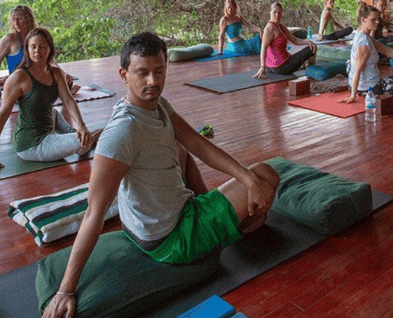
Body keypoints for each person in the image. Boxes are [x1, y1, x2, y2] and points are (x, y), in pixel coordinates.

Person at [40, 32, 280, 318]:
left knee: (182, 148)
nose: (153, 82)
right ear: (124, 75)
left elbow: (196, 142)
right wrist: (66, 290)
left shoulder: (158, 105)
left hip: (161, 216)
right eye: (142, 73)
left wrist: (246, 179)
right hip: (171, 238)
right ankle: (234, 226)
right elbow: (94, 211)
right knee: (267, 173)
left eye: (159, 71)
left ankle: (216, 208)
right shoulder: (121, 133)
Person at [0, 28, 100, 173]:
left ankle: (84, 134)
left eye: (42, 47)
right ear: (27, 49)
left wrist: (82, 125)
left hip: (50, 122)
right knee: (81, 144)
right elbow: (2, 115)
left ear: (49, 49)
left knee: (71, 128)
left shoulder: (56, 73)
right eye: (33, 47)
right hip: (32, 144)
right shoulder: (19, 77)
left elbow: (69, 101)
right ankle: (97, 135)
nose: (37, 51)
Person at [0, 5, 78, 110]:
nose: (16, 22)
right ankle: (61, 93)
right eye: (13, 19)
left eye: (19, 19)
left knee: (60, 77)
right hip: (19, 84)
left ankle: (62, 92)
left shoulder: (37, 37)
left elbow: (50, 60)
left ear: (28, 19)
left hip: (37, 79)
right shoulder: (9, 39)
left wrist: (63, 74)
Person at [341, 3, 393, 103]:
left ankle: (358, 90)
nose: (377, 22)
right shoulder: (364, 41)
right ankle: (361, 92)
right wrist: (352, 96)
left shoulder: (362, 35)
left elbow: (387, 50)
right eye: (373, 20)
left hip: (362, 86)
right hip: (371, 90)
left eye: (378, 19)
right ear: (363, 20)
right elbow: (358, 69)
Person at [254, 2, 317, 78]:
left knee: (311, 45)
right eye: (274, 12)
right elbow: (263, 48)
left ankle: (306, 66)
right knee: (312, 48)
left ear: (282, 14)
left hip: (275, 67)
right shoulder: (269, 28)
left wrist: (308, 42)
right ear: (270, 13)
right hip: (282, 67)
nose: (277, 15)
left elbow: (294, 40)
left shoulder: (281, 26)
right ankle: (312, 69)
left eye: (279, 12)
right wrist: (262, 67)